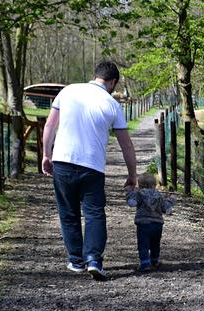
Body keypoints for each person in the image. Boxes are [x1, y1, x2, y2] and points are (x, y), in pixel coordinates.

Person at [42, 61, 137, 281]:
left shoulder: (67, 91)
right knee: (94, 213)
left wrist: (46, 154)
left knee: (68, 212)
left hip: (63, 160)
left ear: (95, 76)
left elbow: (49, 125)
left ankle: (76, 260)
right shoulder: (112, 104)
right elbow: (126, 144)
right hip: (92, 166)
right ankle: (93, 259)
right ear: (112, 82)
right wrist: (132, 175)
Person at [126, 173, 175, 272]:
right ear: (154, 185)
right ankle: (155, 260)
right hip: (157, 224)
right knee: (155, 243)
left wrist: (129, 192)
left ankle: (145, 263)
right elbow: (166, 209)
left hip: (143, 224)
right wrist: (171, 201)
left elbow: (132, 203)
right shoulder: (159, 195)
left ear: (139, 185)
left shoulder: (139, 194)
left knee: (143, 244)